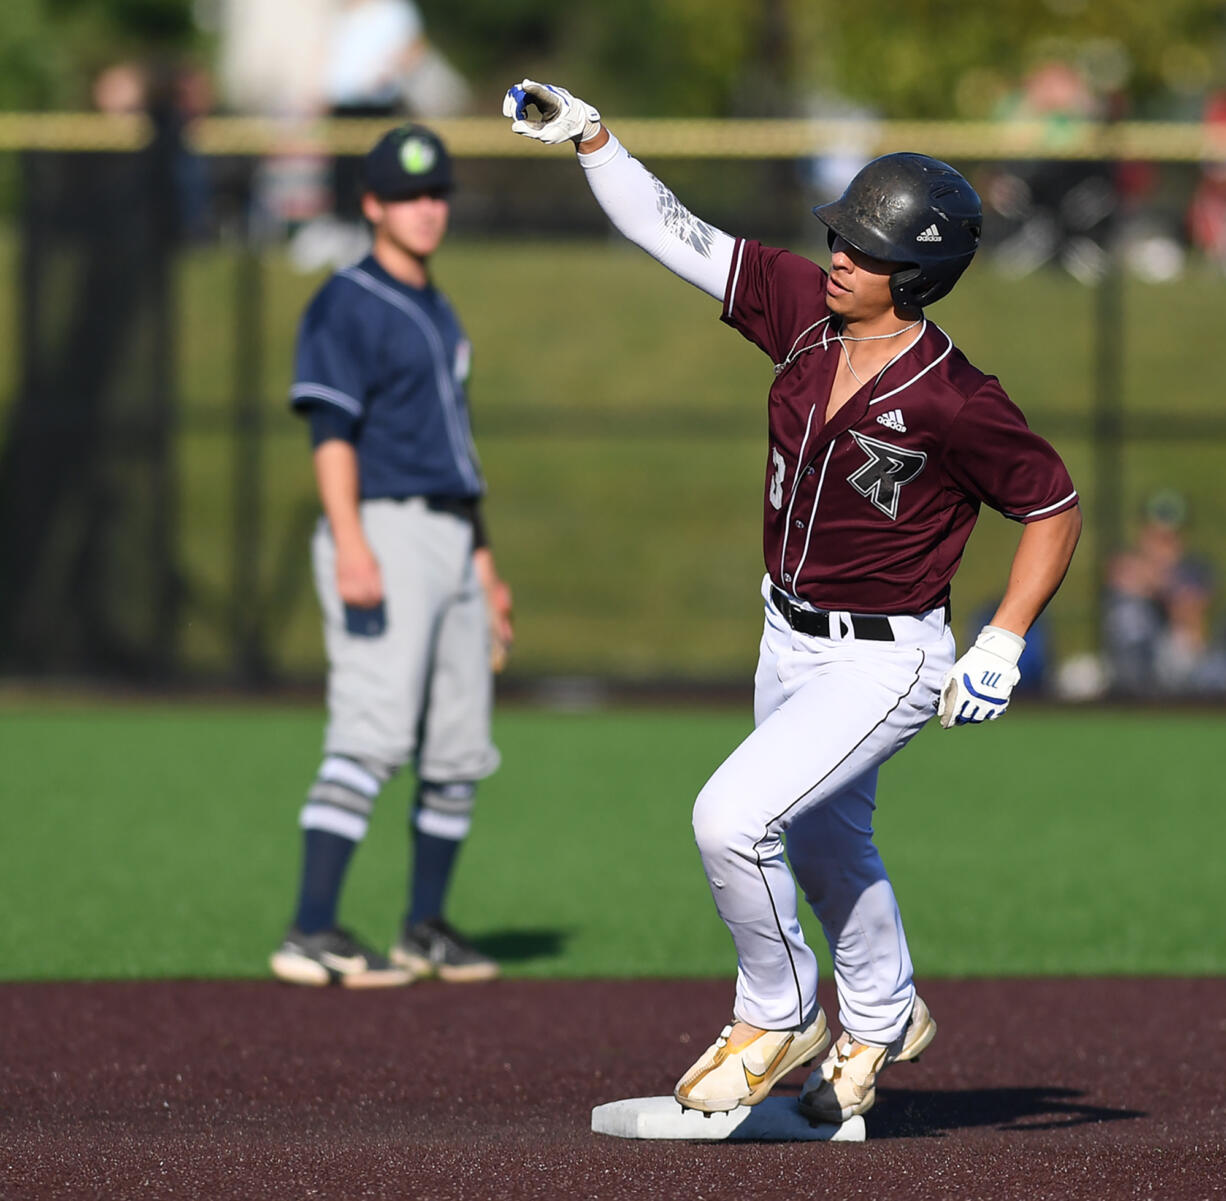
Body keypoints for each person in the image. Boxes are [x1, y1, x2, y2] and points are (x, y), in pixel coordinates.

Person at [504, 80, 1082, 1122]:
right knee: (821, 844)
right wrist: (593, 137)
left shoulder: (956, 398)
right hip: (786, 635)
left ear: (915, 275)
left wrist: (1001, 637)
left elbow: (1052, 506)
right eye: (841, 237)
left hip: (885, 657)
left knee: (730, 819)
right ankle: (883, 1013)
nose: (838, 257)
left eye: (862, 248)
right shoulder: (802, 319)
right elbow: (673, 234)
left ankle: (776, 1014)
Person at [270, 122, 514, 989]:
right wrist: (350, 542)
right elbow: (331, 431)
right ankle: (311, 927)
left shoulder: (437, 306)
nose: (425, 207)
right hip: (382, 526)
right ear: (371, 204)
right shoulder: (348, 298)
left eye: (436, 192)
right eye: (406, 194)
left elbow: (457, 451)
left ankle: (425, 927)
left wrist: (484, 563)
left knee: (456, 745)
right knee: (371, 733)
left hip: (449, 534)